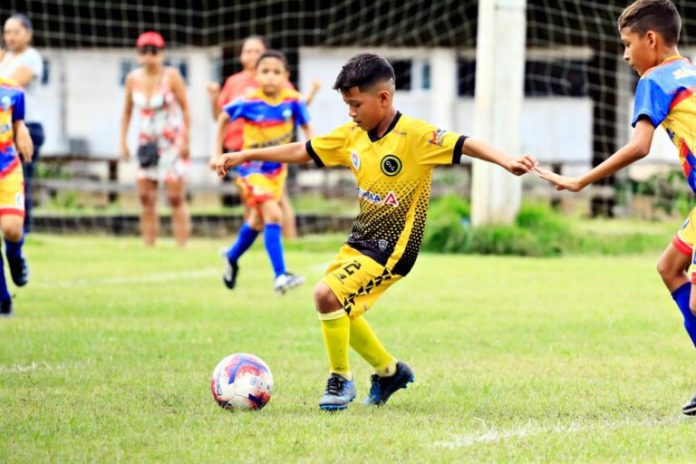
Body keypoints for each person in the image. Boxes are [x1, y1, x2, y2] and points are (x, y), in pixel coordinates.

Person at [216, 53, 536, 410]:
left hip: (394, 249)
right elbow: (301, 150)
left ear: (383, 98)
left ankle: (340, 380)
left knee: (326, 296)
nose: (351, 113)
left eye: (356, 104)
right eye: (347, 105)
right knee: (340, 310)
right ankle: (389, 372)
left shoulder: (414, 135)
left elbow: (465, 143)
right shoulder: (352, 135)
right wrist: (243, 155)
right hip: (360, 242)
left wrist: (508, 161)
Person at [536, 0, 696, 416]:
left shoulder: (655, 79)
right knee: (670, 269)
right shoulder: (689, 68)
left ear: (651, 39)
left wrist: (581, 180)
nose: (625, 55)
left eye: (627, 45)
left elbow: (639, 146)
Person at [213, 50, 312, 294]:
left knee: (258, 220)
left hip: (277, 172)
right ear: (256, 75)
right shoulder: (249, 100)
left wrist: (313, 149)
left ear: (286, 75)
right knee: (274, 213)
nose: (270, 77)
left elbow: (308, 127)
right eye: (265, 72)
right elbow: (223, 118)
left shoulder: (293, 101)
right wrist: (217, 153)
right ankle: (280, 276)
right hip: (250, 169)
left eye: (276, 72)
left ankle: (233, 257)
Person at [207, 36, 320, 240]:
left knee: (279, 202)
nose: (252, 55)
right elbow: (220, 116)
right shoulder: (237, 85)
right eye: (247, 51)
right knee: (253, 203)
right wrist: (214, 98)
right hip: (241, 153)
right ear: (242, 56)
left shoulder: (280, 84)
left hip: (275, 154)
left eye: (256, 51)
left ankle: (289, 240)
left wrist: (312, 93)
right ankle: (254, 245)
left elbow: (299, 107)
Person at [120, 31, 191, 247]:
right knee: (146, 196)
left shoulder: (172, 76)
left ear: (161, 53)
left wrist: (187, 140)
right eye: (144, 50)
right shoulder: (132, 79)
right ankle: (149, 245)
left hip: (171, 140)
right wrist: (122, 141)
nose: (149, 55)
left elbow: (185, 108)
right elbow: (127, 112)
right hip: (146, 142)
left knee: (175, 197)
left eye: (154, 50)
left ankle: (182, 246)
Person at [0, 14, 44, 234]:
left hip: (25, 127)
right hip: (3, 129)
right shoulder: (4, 58)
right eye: (7, 32)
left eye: (16, 32)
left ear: (28, 34)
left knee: (20, 178)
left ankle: (22, 231)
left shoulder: (31, 57)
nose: (10, 37)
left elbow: (12, 86)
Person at [0, 77, 34, 317]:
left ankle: (15, 255)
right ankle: (3, 301)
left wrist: (21, 129)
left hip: (7, 168)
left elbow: (17, 121)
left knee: (12, 229)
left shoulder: (12, 90)